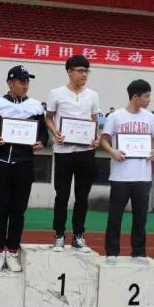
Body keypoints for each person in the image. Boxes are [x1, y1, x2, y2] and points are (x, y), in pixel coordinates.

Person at [0, 65, 49, 272]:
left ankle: (12, 252)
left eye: (27, 81)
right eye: (21, 81)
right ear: (10, 83)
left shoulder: (36, 107)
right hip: (0, 163)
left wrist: (41, 142)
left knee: (18, 211)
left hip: (24, 164)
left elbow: (43, 135)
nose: (25, 85)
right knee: (0, 211)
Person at [100, 79, 154, 263]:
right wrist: (113, 151)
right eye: (146, 96)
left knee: (140, 217)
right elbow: (103, 139)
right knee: (115, 216)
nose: (149, 100)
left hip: (143, 175)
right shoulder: (116, 117)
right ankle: (112, 252)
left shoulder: (149, 117)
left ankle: (139, 252)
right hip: (120, 176)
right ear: (135, 97)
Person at [46, 55, 101, 253]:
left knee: (82, 196)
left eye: (86, 71)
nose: (84, 74)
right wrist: (55, 133)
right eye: (80, 71)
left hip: (86, 152)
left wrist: (96, 137)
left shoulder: (93, 95)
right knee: (62, 195)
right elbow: (49, 118)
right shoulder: (56, 93)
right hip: (64, 151)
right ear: (69, 72)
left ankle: (78, 235)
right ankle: (59, 235)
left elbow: (94, 120)